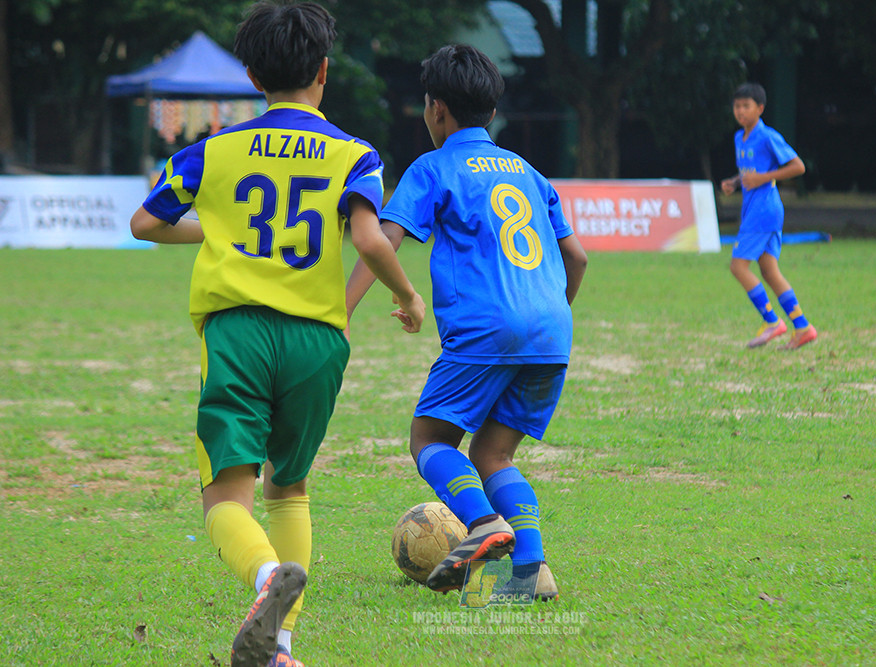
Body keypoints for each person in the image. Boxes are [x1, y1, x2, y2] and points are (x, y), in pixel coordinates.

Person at [130, 3, 425, 666]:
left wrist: (218, 231)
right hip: (317, 339)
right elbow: (369, 239)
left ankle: (266, 575)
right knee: (289, 485)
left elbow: (145, 223)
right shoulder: (355, 153)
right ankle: (281, 647)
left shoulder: (213, 150)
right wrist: (408, 296)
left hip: (238, 331)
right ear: (324, 70)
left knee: (225, 495)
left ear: (253, 76)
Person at [345, 44, 587, 599]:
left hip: (486, 330)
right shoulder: (529, 172)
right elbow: (577, 258)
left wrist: (343, 310)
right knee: (494, 454)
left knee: (429, 438)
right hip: (552, 331)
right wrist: (548, 318)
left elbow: (383, 240)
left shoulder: (433, 167)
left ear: (435, 109)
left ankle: (483, 523)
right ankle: (531, 573)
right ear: (492, 112)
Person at [721, 82, 816, 350]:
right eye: (736, 106)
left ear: (760, 108)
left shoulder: (767, 136)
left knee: (738, 267)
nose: (740, 111)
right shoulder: (739, 138)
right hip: (755, 209)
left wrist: (763, 178)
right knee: (769, 271)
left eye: (746, 106)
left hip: (764, 210)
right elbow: (749, 171)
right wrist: (734, 182)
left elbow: (798, 167)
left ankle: (772, 321)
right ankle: (803, 327)